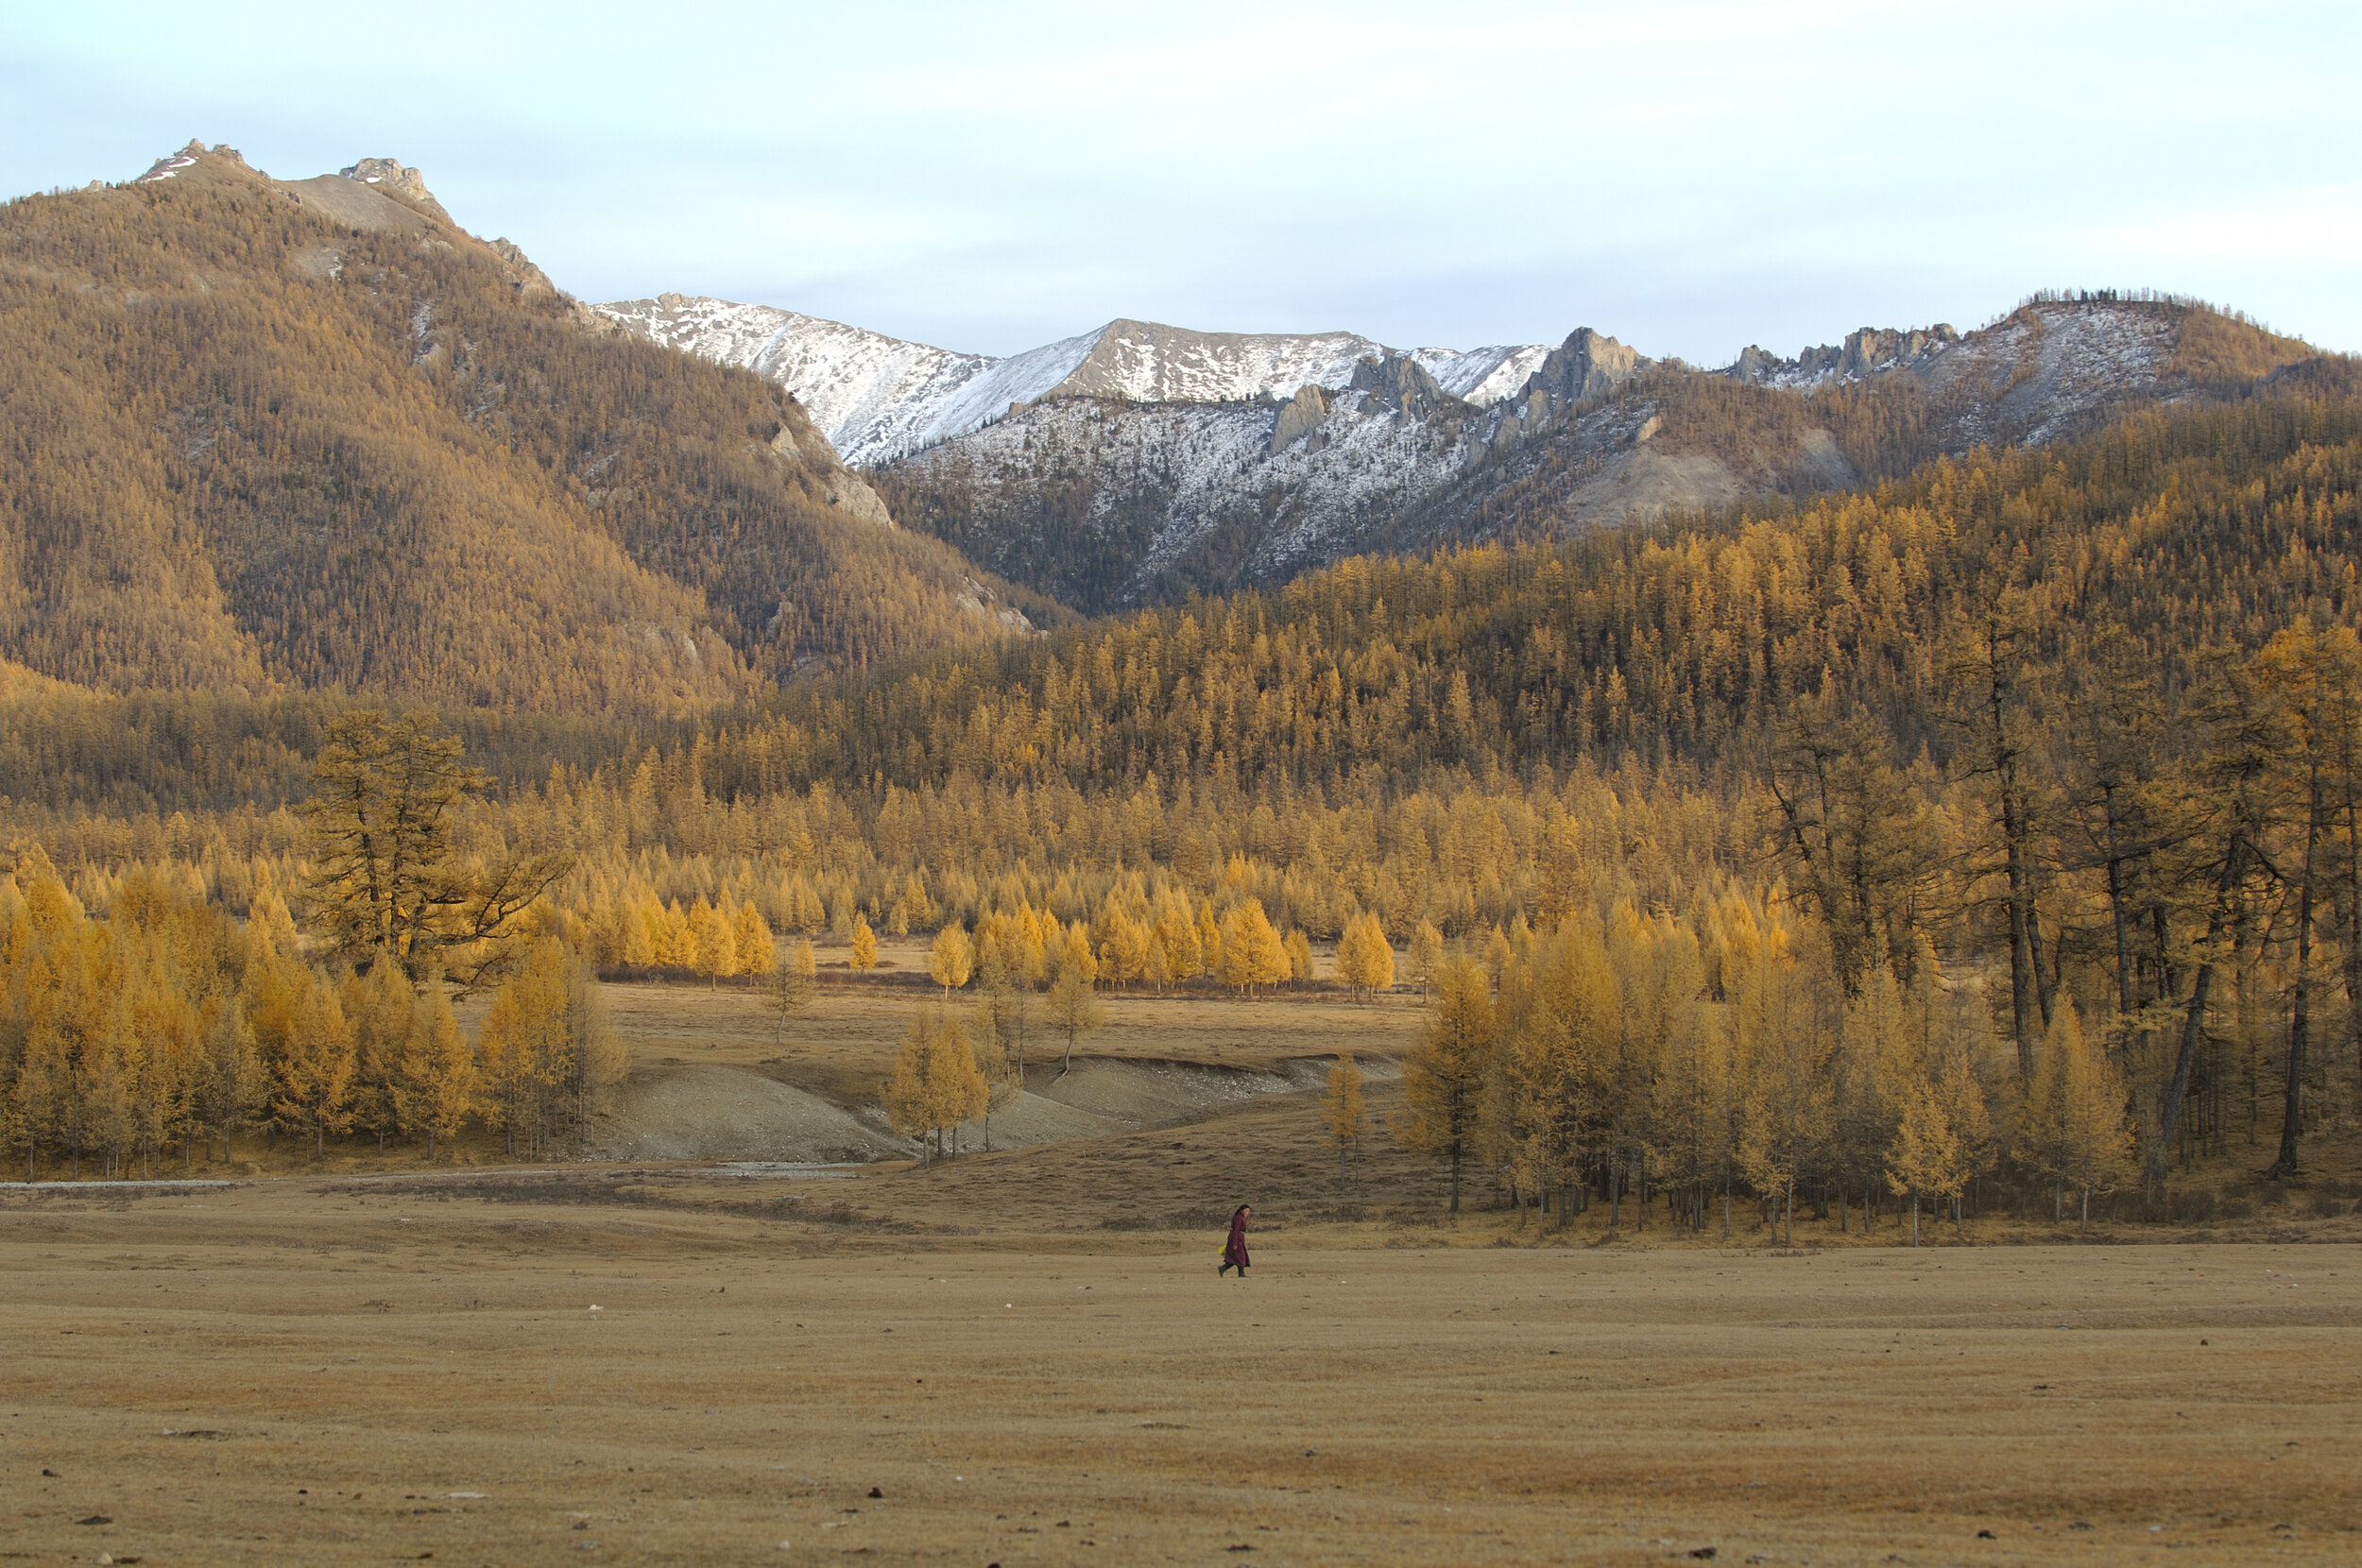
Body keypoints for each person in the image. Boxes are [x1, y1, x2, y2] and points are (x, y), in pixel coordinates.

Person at [1217, 1203, 1252, 1278]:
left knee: (1236, 1257)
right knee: (1240, 1256)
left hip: (1239, 1238)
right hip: (1236, 1238)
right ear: (1242, 1211)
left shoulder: (1241, 1217)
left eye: (1249, 1211)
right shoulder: (1238, 1218)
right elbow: (1236, 1230)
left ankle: (1223, 1269)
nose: (1248, 1212)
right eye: (1246, 1210)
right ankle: (1240, 1273)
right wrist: (1235, 1243)